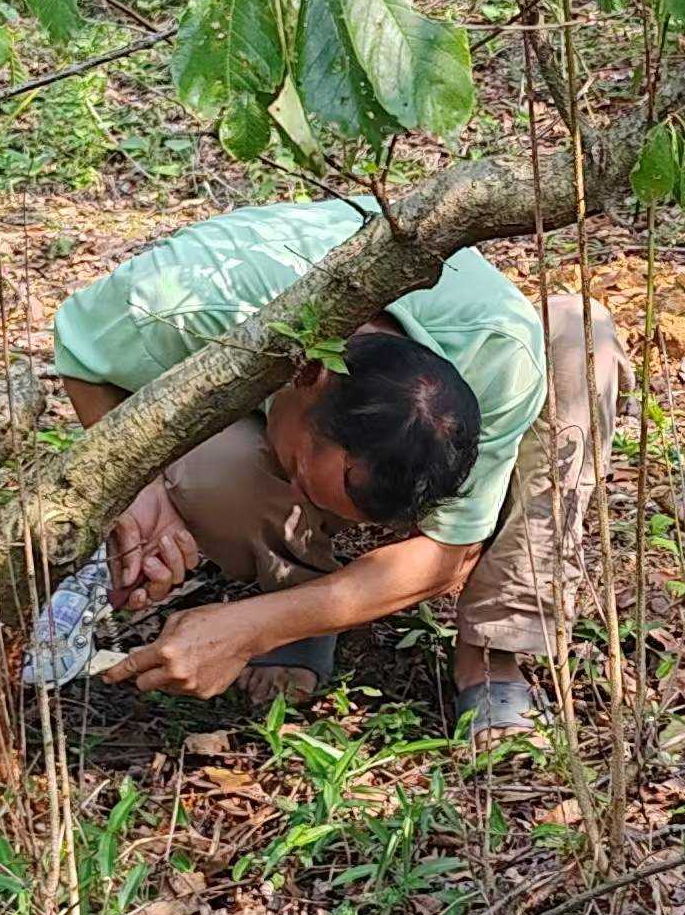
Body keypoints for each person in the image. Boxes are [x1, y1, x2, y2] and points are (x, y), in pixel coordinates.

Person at [51, 199, 624, 732]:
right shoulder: (192, 299)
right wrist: (141, 490)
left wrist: (250, 626)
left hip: (476, 343)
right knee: (213, 473)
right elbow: (80, 348)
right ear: (305, 377)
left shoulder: (502, 360)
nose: (321, 509)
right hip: (255, 339)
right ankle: (295, 591)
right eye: (303, 477)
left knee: (580, 340)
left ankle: (494, 651)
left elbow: (446, 558)